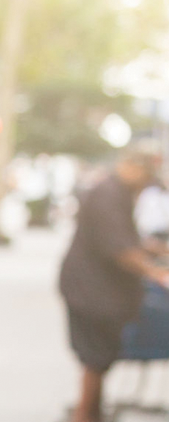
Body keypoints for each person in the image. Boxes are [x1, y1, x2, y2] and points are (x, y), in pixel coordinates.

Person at [60, 149, 169, 422]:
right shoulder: (108, 194)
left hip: (98, 291)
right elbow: (119, 248)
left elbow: (126, 240)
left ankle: (91, 412)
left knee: (100, 357)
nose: (145, 183)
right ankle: (85, 414)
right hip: (91, 292)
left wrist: (155, 250)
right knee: (95, 358)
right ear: (130, 166)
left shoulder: (116, 193)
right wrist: (156, 273)